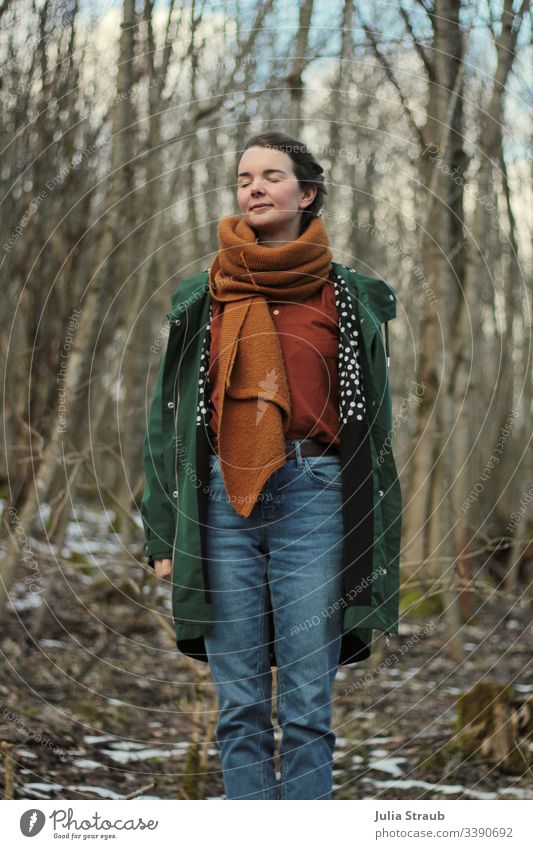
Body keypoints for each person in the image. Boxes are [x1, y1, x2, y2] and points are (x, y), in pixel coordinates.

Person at [140, 131, 402, 800]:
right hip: (221, 501)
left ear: (305, 194)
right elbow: (169, 419)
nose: (252, 187)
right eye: (243, 177)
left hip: (316, 495)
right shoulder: (206, 295)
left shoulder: (346, 297)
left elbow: (374, 429)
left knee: (308, 709)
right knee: (240, 707)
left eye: (270, 176)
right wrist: (162, 530)